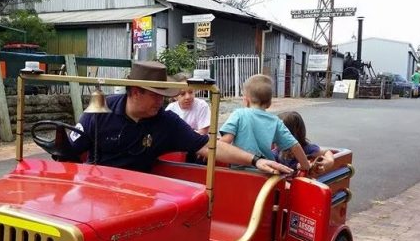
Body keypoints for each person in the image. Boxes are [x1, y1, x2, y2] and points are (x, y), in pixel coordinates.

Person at [67, 61, 292, 174]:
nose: (163, 101)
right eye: (157, 96)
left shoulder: (166, 122)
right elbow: (69, 153)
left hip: (139, 197)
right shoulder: (99, 111)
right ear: (136, 92)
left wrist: (256, 160)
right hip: (97, 190)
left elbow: (209, 146)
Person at [219, 74, 310, 171]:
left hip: (238, 170)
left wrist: (211, 151)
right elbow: (294, 145)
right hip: (266, 171)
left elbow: (226, 140)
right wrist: (306, 167)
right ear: (269, 103)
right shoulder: (275, 121)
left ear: (246, 100)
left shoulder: (239, 114)